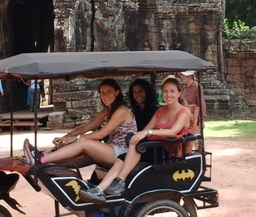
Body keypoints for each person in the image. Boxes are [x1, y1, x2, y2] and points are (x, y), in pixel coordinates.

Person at [79, 76, 191, 204]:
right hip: (155, 149)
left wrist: (147, 132)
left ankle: (120, 181)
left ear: (179, 93)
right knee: (122, 157)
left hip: (170, 152)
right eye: (165, 91)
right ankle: (99, 189)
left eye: (172, 91)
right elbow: (143, 130)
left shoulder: (184, 111)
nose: (168, 94)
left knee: (135, 146)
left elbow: (173, 131)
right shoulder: (160, 111)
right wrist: (134, 134)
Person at [22, 79, 136, 167]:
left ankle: (40, 159)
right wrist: (66, 137)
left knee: (83, 142)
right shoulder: (107, 112)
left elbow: (101, 134)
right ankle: (48, 160)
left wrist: (75, 138)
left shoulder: (122, 111)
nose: (105, 95)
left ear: (117, 92)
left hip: (122, 153)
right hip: (110, 149)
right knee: (81, 154)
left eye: (109, 92)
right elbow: (86, 127)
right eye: (102, 92)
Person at [179, 70, 207, 136]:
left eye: (184, 75)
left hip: (195, 116)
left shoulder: (197, 87)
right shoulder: (185, 87)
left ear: (190, 76)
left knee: (196, 138)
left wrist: (202, 118)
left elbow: (201, 103)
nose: (182, 77)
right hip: (186, 116)